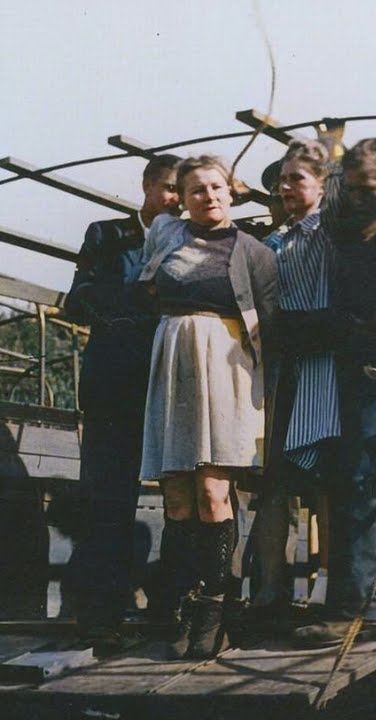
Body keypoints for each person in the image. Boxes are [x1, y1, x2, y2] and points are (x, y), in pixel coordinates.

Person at [135, 155, 280, 659]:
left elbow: (270, 323)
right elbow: (149, 268)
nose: (209, 197)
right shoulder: (165, 233)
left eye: (217, 187)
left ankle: (215, 615)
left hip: (227, 369)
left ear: (232, 191)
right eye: (196, 189)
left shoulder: (254, 251)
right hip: (172, 363)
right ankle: (180, 605)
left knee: (214, 495)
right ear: (182, 197)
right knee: (175, 498)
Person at [290, 137, 376, 646]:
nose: (358, 198)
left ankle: (357, 610)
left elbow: (359, 324)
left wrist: (289, 327)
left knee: (361, 487)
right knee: (362, 487)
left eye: (369, 189)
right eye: (352, 188)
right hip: (365, 375)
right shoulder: (370, 227)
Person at [62, 154, 180, 652]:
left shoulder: (194, 239)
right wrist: (137, 301)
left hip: (174, 390)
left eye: (184, 190)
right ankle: (100, 615)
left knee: (187, 500)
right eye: (170, 188)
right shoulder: (107, 236)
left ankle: (173, 608)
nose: (176, 199)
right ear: (148, 186)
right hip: (116, 388)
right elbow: (78, 299)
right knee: (109, 501)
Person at [242, 139, 343, 635]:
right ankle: (269, 590)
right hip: (283, 368)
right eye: (280, 180)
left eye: (296, 179)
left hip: (323, 365)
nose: (284, 188)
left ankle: (329, 584)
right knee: (274, 480)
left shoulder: (333, 233)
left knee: (325, 476)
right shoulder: (273, 242)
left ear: (323, 185)